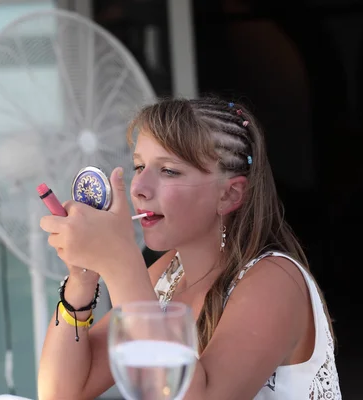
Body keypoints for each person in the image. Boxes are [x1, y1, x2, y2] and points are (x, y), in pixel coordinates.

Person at [38, 95, 342, 399]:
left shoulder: (275, 280)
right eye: (139, 166)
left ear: (229, 195)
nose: (139, 189)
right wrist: (83, 278)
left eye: (169, 170)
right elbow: (62, 392)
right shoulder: (170, 275)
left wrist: (120, 264)